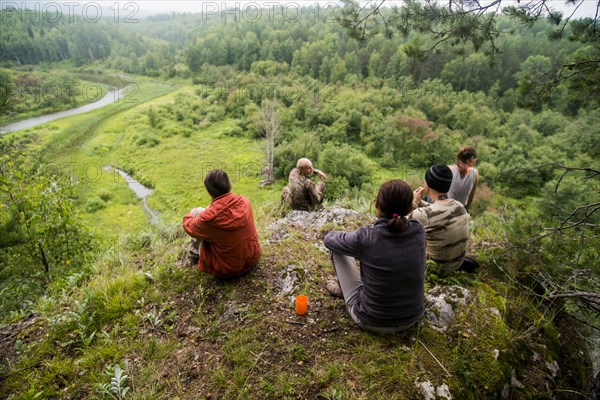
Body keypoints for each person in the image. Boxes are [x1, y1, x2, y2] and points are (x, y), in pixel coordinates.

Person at [323, 180, 426, 334]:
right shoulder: (418, 230)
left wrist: (353, 238)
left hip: (371, 320)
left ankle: (347, 292)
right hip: (411, 318)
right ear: (409, 207)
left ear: (377, 204)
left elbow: (329, 240)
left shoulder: (366, 237)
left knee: (337, 249)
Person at [182, 169, 261, 278]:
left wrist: (191, 214)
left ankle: (194, 257)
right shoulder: (245, 201)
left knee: (197, 215)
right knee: (205, 220)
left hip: (228, 269)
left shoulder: (208, 219)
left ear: (209, 191)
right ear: (229, 184)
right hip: (253, 258)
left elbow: (188, 227)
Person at [412, 165, 475, 277]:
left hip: (435, 270)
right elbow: (438, 210)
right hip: (456, 264)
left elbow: (401, 224)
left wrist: (414, 203)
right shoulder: (459, 206)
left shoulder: (425, 214)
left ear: (427, 183)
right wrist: (421, 202)